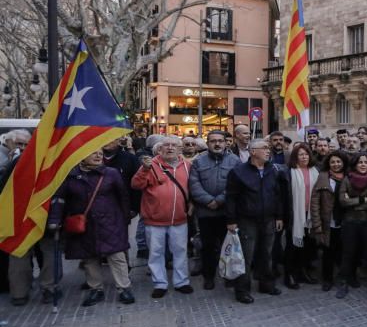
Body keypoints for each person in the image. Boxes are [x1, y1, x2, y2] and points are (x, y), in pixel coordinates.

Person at [49, 150, 135, 305]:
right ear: (81, 156)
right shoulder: (70, 175)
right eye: (93, 153)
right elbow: (59, 198)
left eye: (100, 153)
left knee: (117, 256)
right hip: (84, 224)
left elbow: (123, 196)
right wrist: (55, 219)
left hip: (111, 222)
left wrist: (125, 218)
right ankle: (96, 289)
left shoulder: (111, 173)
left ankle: (124, 288)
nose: (98, 156)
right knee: (89, 257)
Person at [132, 136, 193, 297]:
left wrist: (192, 204)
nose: (170, 148)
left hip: (180, 218)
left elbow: (193, 187)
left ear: (180, 149)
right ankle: (160, 283)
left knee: (180, 251)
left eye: (174, 145)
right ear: (160, 149)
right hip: (154, 220)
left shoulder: (188, 166)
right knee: (155, 253)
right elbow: (136, 185)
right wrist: (144, 169)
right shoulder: (150, 165)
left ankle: (181, 282)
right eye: (166, 145)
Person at [225, 139, 285, 302]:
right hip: (247, 220)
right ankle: (242, 290)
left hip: (268, 219)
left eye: (268, 148)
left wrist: (279, 216)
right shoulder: (238, 172)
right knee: (246, 255)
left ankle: (266, 284)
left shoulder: (272, 170)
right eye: (264, 148)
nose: (268, 151)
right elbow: (231, 198)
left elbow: (277, 195)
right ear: (253, 152)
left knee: (267, 253)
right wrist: (231, 220)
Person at [188, 129, 241, 290]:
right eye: (213, 141)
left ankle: (229, 276)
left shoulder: (235, 161)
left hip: (227, 213)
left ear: (225, 143)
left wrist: (219, 200)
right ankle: (209, 276)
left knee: (228, 247)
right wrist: (208, 200)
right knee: (207, 248)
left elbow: (236, 185)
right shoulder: (198, 161)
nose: (217, 143)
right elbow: (194, 184)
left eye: (220, 141)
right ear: (208, 143)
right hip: (205, 213)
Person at [333, 151, 367, 297]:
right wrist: (361, 200)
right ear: (355, 164)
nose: (363, 165)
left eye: (365, 162)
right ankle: (344, 282)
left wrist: (353, 202)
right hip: (350, 222)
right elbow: (342, 201)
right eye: (360, 162)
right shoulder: (347, 179)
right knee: (348, 253)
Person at [282, 143, 319, 289]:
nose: (304, 157)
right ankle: (289, 274)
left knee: (307, 247)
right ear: (295, 156)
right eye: (300, 154)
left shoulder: (316, 170)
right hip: (294, 215)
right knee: (292, 246)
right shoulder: (287, 172)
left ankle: (302, 272)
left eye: (306, 154)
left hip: (310, 215)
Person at [311, 150, 346, 292]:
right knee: (328, 253)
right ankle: (327, 279)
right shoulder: (323, 177)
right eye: (333, 162)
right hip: (328, 222)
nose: (336, 164)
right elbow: (315, 202)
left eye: (338, 161)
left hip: (345, 222)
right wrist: (317, 223)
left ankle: (344, 278)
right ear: (328, 164)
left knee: (344, 253)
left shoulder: (348, 177)